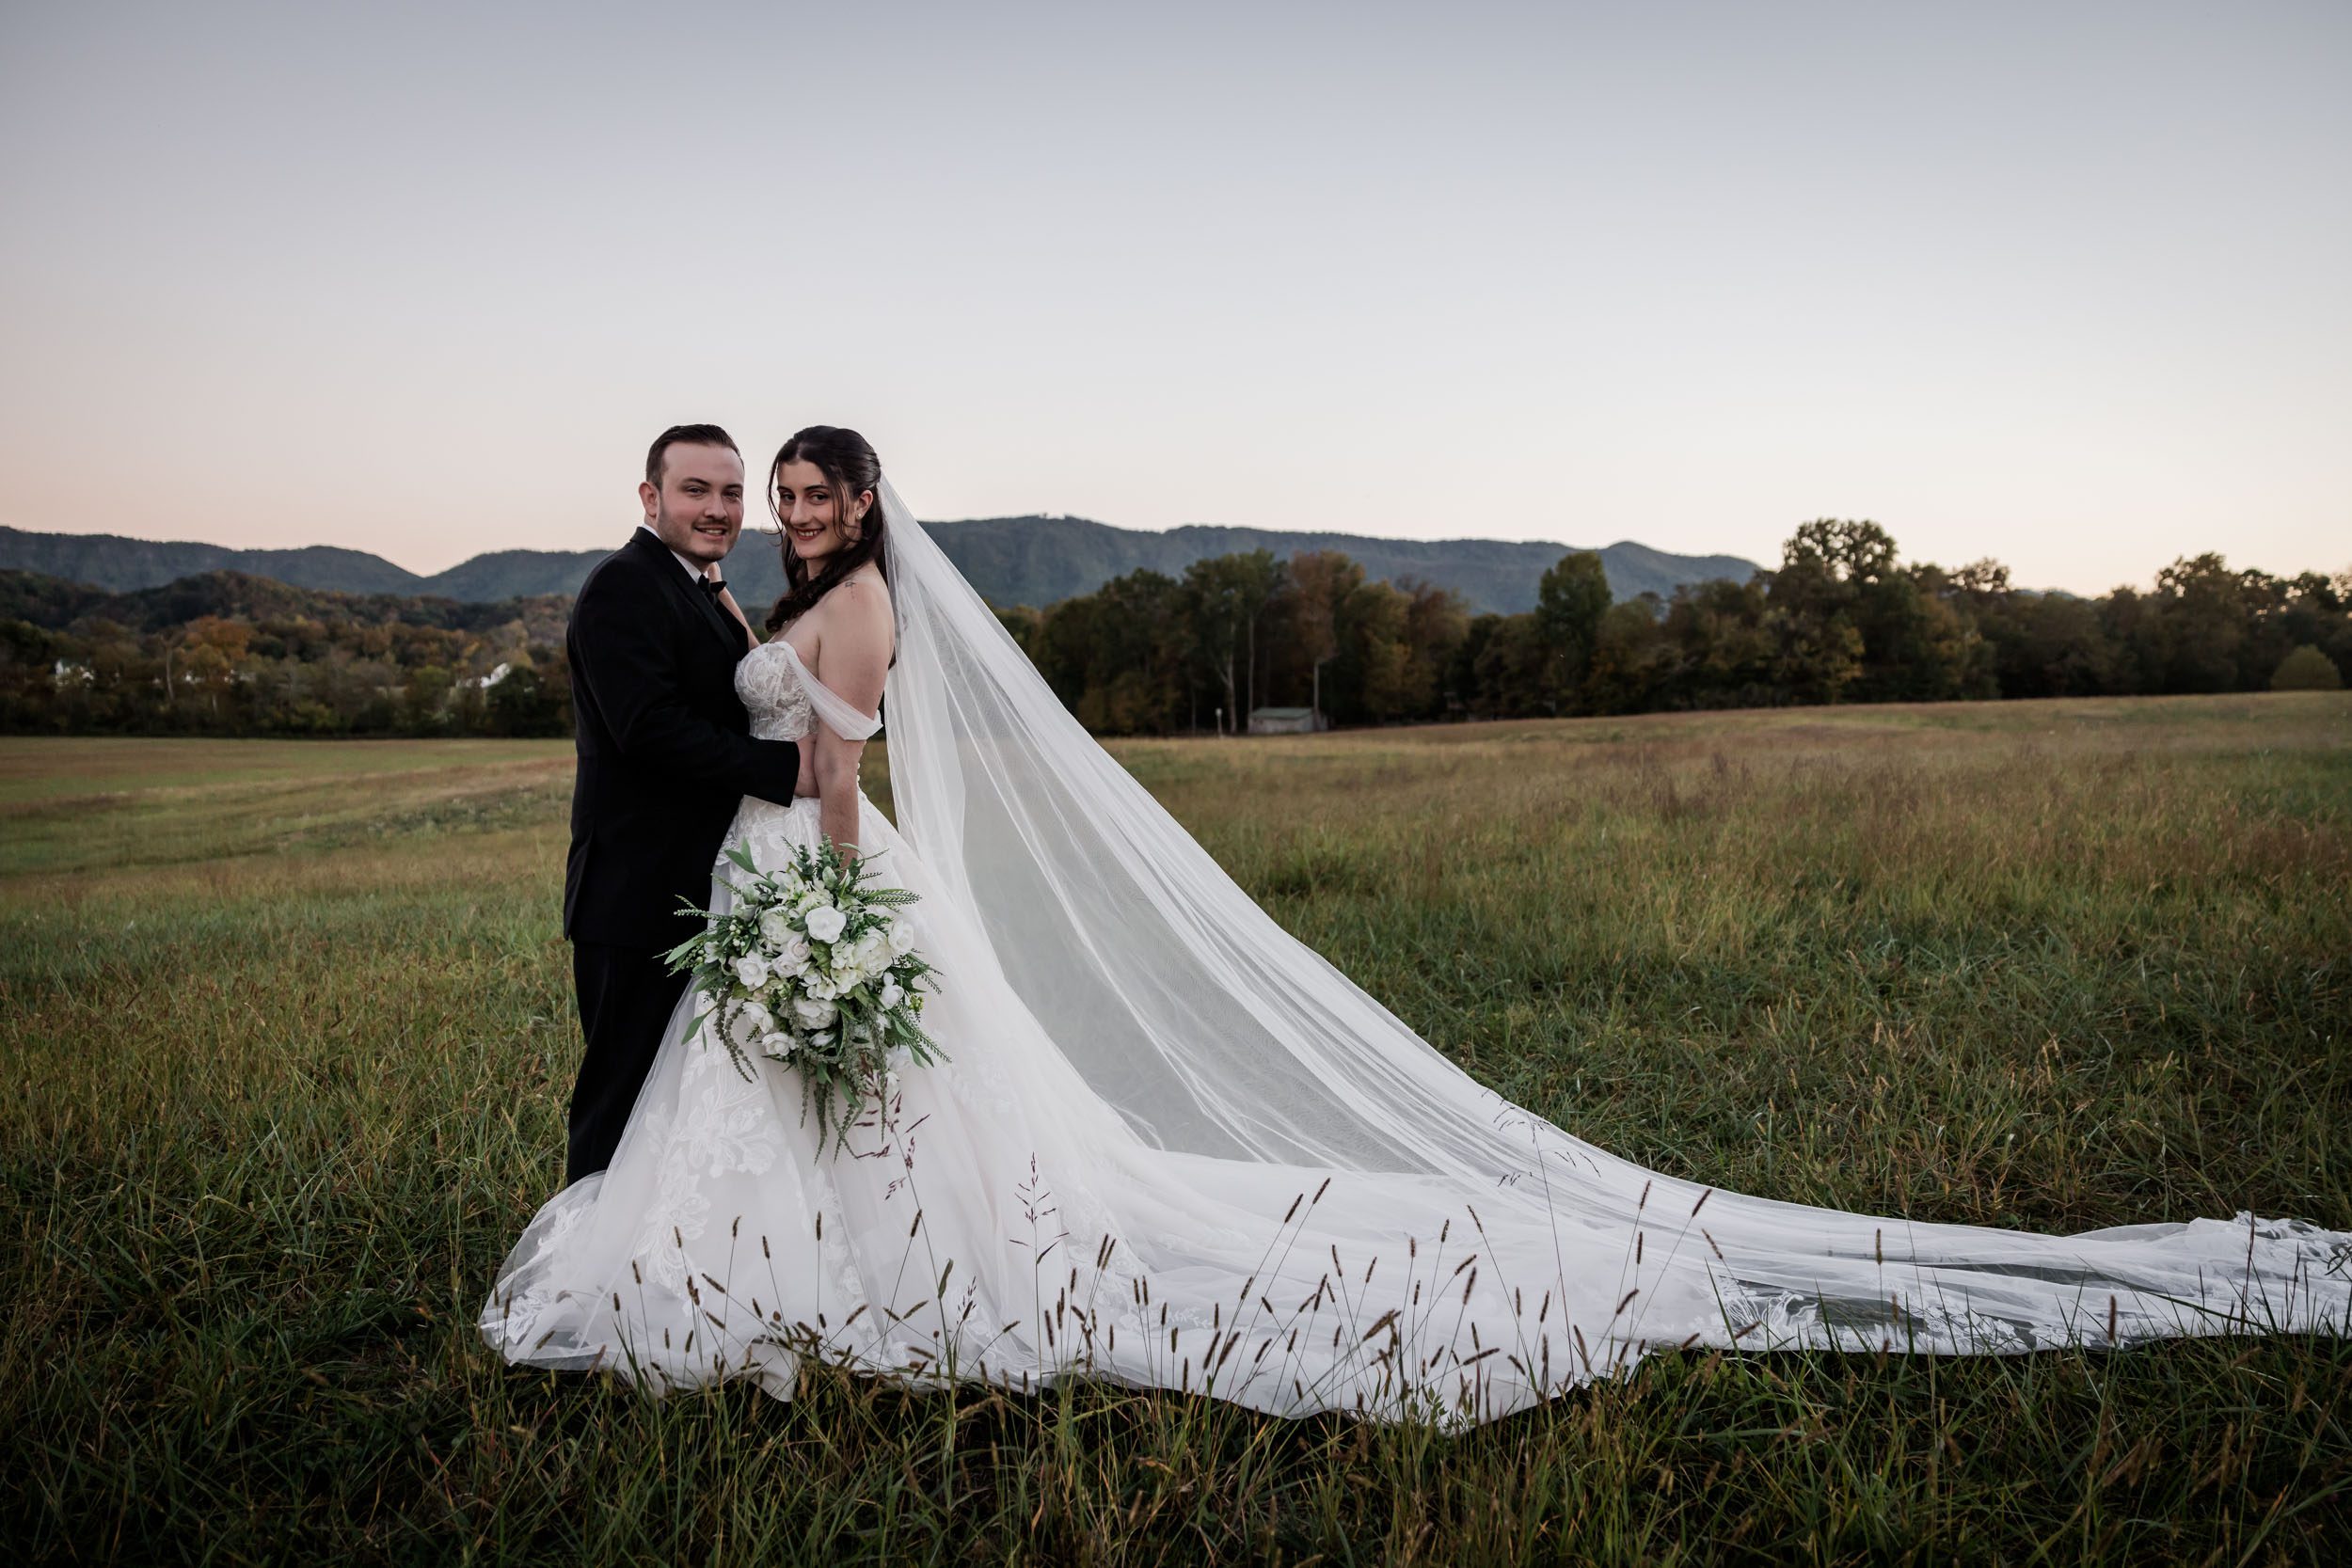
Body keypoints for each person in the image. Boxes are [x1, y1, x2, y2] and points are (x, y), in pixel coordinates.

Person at [485, 427, 2350, 1428]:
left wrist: (809, 884)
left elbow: (810, 767)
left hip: (804, 875)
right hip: (724, 883)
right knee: (734, 1095)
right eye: (740, 492)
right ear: (668, 503)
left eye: (793, 490)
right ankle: (758, 1265)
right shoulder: (676, 599)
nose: (767, 509)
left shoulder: (844, 604)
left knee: (871, 1100)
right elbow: (684, 729)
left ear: (850, 501)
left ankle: (817, 1282)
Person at [558, 424, 803, 1185]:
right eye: (696, 489)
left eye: (731, 492)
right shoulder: (624, 585)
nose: (717, 508)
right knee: (621, 1100)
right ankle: (576, 1284)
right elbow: (648, 729)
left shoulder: (694, 585)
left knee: (677, 1106)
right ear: (650, 496)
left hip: (700, 887)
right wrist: (788, 770)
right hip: (634, 895)